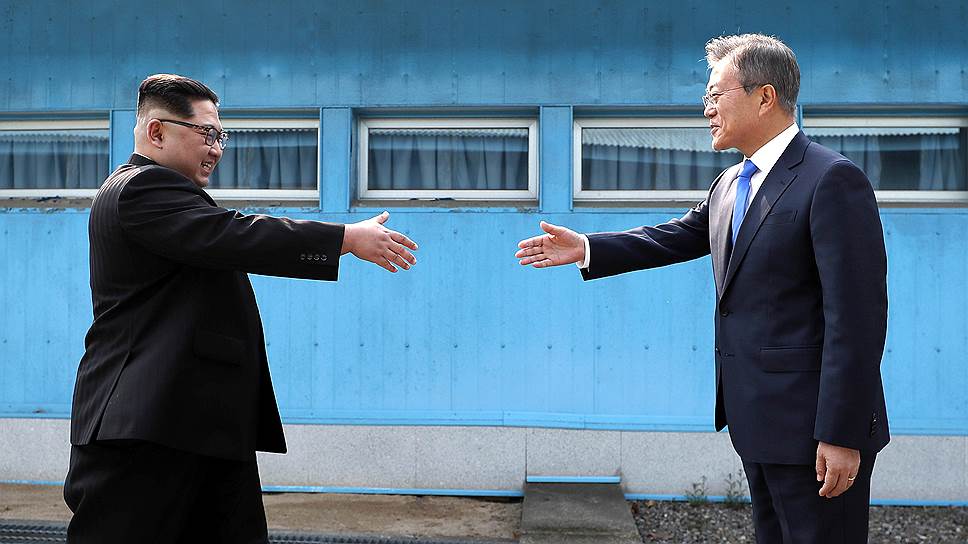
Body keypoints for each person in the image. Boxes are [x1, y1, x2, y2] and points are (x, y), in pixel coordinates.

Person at [516, 34, 888, 543]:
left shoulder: (831, 179)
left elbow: (857, 319)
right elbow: (674, 237)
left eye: (716, 95)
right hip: (757, 421)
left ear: (765, 96)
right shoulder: (731, 183)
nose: (707, 109)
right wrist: (586, 247)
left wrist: (842, 433)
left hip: (815, 430)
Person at [64, 74, 418, 543]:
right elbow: (233, 234)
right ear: (157, 132)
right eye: (206, 134)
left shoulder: (161, 195)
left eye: (221, 137)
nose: (216, 149)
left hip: (192, 423)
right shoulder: (141, 189)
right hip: (148, 427)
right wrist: (344, 239)